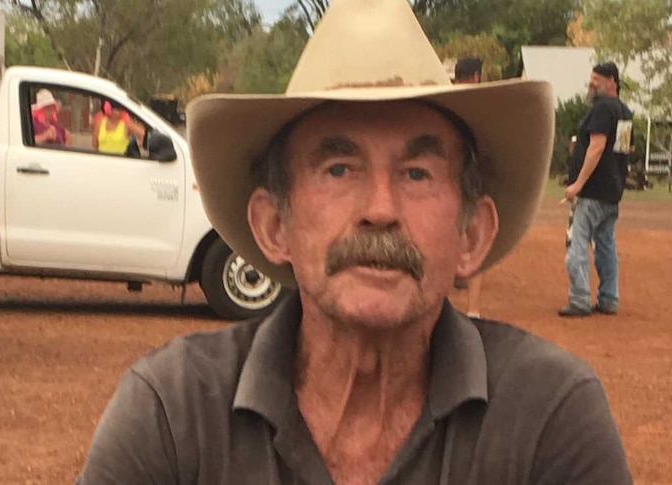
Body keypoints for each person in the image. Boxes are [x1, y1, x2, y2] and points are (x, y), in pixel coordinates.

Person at [76, 0, 633, 483]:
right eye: (339, 170)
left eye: (417, 173)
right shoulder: (173, 415)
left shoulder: (548, 417)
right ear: (275, 227)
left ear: (471, 235)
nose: (380, 211)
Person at [560, 62, 634, 317]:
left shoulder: (603, 109)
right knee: (605, 243)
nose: (591, 84)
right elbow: (623, 151)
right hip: (612, 191)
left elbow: (597, 146)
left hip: (593, 191)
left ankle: (579, 298)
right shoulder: (624, 112)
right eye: (591, 79)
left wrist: (578, 184)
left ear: (612, 81)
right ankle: (608, 297)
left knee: (577, 241)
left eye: (597, 80)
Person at [452, 56, 486, 319]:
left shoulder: (444, 99)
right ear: (476, 76)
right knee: (474, 236)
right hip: (472, 174)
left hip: (444, 179)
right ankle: (473, 310)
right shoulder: (480, 104)